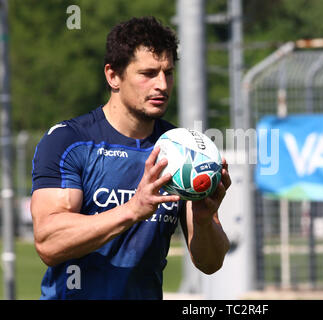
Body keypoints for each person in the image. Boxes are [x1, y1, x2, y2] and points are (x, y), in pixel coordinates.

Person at [30, 16, 231, 300]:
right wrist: (133, 209)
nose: (162, 84)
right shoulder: (69, 141)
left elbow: (211, 263)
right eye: (148, 73)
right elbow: (49, 243)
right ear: (113, 76)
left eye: (168, 73)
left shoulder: (184, 153)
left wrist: (203, 220)